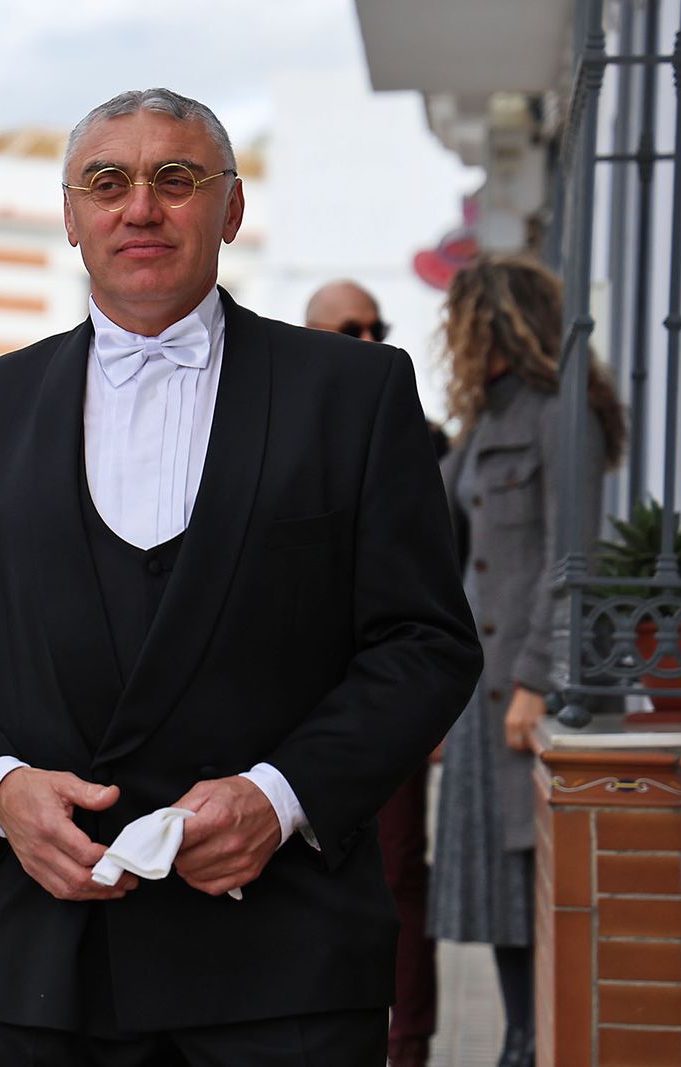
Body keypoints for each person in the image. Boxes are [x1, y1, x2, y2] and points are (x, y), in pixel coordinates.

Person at [0, 88, 482, 1065]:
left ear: (231, 209)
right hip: (57, 951)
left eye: (176, 178)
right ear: (71, 215)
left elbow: (425, 642)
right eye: (108, 182)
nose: (141, 207)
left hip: (283, 951)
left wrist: (280, 794)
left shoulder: (354, 394)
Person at [428, 256, 625, 1067]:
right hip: (482, 689)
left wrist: (540, 678)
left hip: (525, 690)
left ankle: (535, 1040)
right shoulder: (482, 424)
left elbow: (568, 555)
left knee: (532, 877)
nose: (456, 343)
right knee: (497, 887)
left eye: (464, 325)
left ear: (496, 324)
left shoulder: (558, 414)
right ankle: (518, 1037)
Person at [303, 278, 439, 1067]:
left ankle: (407, 1040)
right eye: (346, 327)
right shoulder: (289, 423)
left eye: (374, 325)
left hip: (382, 706)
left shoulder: (406, 424)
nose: (364, 337)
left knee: (398, 873)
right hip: (297, 712)